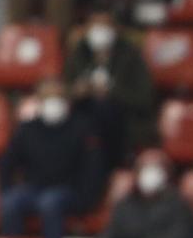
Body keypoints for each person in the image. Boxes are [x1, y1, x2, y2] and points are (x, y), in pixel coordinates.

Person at [0, 79, 106, 238]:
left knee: (50, 203)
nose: (53, 104)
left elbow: (93, 169)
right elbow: (7, 163)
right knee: (11, 202)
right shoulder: (28, 129)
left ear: (67, 101)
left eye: (58, 98)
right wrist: (6, 189)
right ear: (39, 102)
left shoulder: (82, 127)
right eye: (47, 99)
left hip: (70, 190)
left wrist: (87, 201)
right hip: (35, 188)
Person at [65, 9, 159, 160]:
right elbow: (63, 91)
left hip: (123, 125)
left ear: (115, 28)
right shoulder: (78, 54)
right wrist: (76, 92)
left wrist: (112, 91)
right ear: (87, 29)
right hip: (83, 123)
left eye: (105, 25)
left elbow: (145, 99)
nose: (100, 30)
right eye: (96, 25)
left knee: (103, 109)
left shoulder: (131, 56)